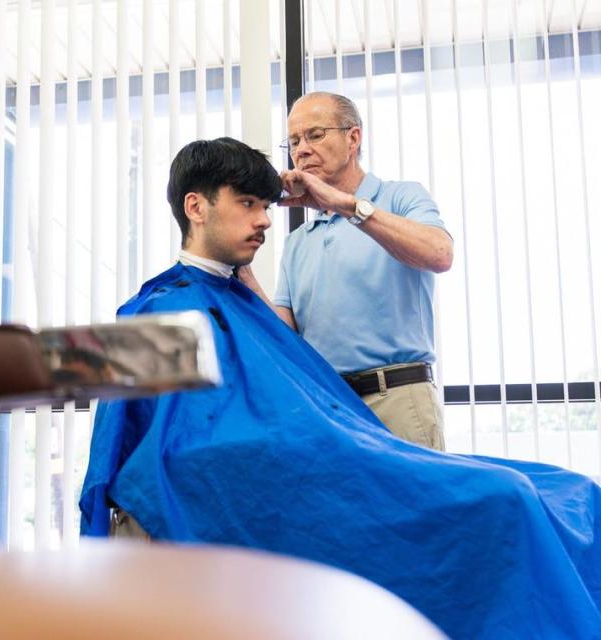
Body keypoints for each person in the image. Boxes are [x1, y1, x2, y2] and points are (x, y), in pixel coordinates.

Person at [80, 137, 601, 640]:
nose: (265, 219)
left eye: (265, 204)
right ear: (196, 206)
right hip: (292, 479)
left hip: (336, 458)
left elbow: (281, 377)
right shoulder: (156, 309)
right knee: (506, 499)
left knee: (562, 491)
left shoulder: (239, 299)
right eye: (247, 203)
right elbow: (126, 452)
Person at [239, 92, 452, 451]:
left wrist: (347, 206)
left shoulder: (402, 198)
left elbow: (440, 253)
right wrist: (241, 269)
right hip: (326, 406)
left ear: (353, 138)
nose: (301, 150)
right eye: (293, 141)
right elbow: (282, 339)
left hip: (397, 401)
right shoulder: (298, 242)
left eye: (315, 135)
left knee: (407, 508)